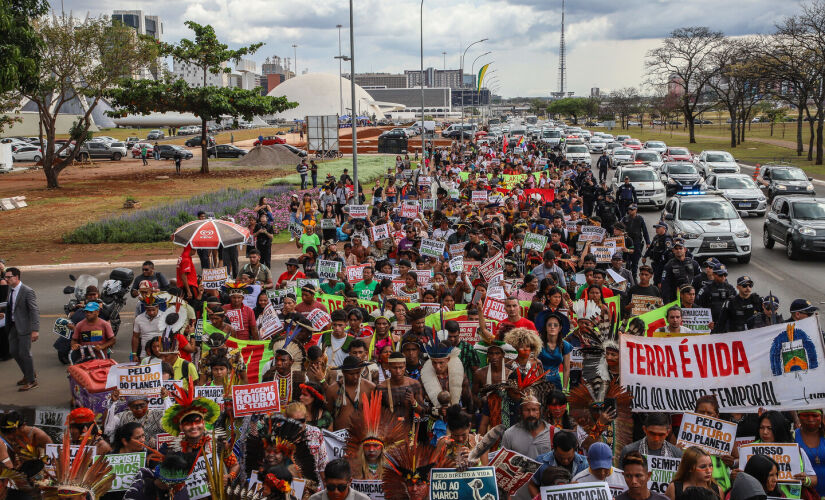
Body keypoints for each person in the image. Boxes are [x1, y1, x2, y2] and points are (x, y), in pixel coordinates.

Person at [1, 267, 39, 392]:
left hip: (24, 328)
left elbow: (34, 311)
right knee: (14, 351)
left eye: (8, 277)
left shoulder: (27, 291)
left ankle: (31, 381)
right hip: (12, 326)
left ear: (16, 277)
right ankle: (29, 373)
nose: (6, 279)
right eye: (5, 277)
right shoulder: (10, 290)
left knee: (25, 354)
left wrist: (35, 330)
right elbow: (10, 306)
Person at [528, 430, 589, 499]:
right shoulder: (540, 461)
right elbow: (532, 485)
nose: (565, 461)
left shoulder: (585, 463)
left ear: (575, 450)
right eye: (560, 458)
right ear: (553, 449)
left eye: (569, 458)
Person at [795, 409, 825, 497]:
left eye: (815, 415)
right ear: (798, 417)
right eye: (805, 415)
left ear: (821, 417)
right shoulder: (792, 438)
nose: (810, 419)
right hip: (806, 495)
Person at [661, 238, 701, 303]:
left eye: (680, 248)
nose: (678, 250)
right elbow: (665, 285)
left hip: (692, 298)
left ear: (685, 249)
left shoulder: (694, 263)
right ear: (673, 250)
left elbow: (700, 280)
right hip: (675, 298)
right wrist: (666, 301)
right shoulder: (669, 265)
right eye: (676, 249)